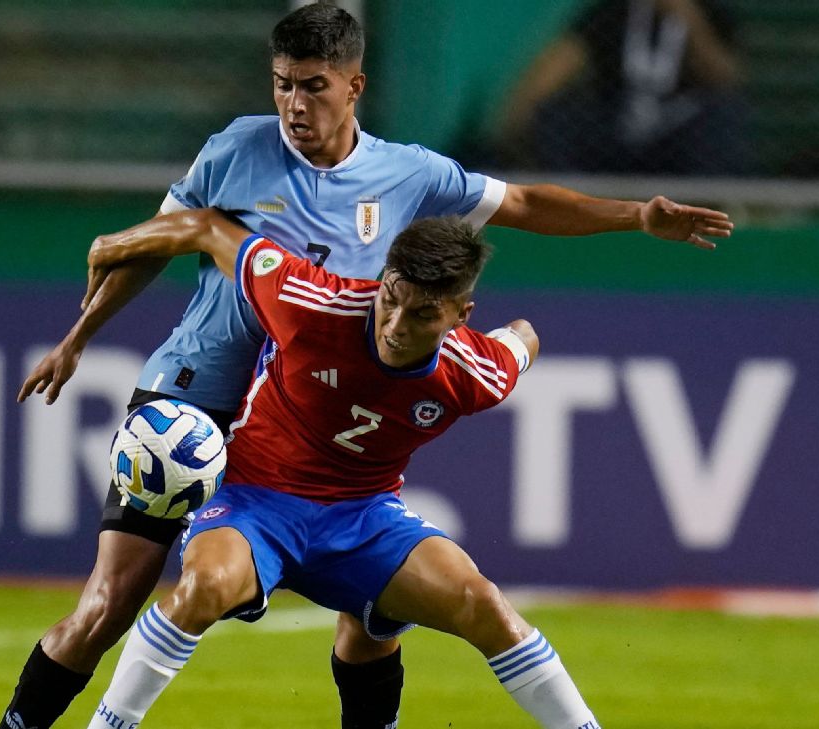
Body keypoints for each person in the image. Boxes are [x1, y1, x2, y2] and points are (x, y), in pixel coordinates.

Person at [0, 5, 732, 729]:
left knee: (370, 611)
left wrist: (636, 214)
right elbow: (160, 240)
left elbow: (526, 201)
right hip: (192, 399)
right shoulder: (234, 149)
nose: (294, 104)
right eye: (282, 84)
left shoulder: (409, 174)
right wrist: (79, 335)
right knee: (110, 603)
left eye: (313, 85)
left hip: (312, 416)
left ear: (355, 86)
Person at [77, 207, 599, 729]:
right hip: (254, 501)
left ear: (460, 315)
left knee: (481, 602)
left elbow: (523, 337)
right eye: (390, 299)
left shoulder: (474, 372)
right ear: (383, 281)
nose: (395, 325)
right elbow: (209, 228)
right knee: (205, 585)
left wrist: (516, 341)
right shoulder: (308, 300)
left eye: (422, 315)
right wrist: (113, 242)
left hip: (364, 516)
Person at [495, 0, 749, 175]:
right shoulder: (612, 10)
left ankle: (709, 209)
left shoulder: (709, 9)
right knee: (557, 119)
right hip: (614, 124)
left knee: (721, 118)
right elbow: (560, 64)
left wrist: (684, 16)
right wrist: (517, 112)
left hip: (677, 131)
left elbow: (723, 77)